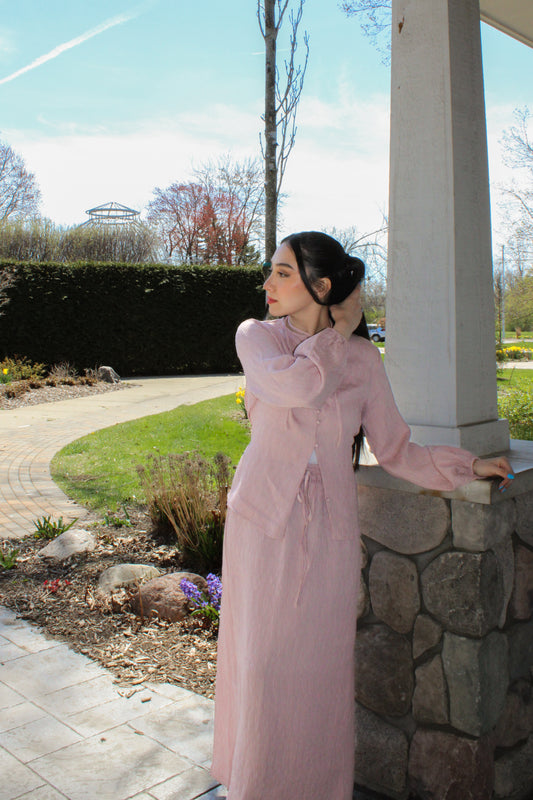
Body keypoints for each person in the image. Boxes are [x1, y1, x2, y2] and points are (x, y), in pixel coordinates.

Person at [211, 231, 514, 800]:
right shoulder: (257, 338)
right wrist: (338, 334)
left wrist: (468, 466)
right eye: (271, 271)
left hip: (328, 532)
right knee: (260, 664)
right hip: (261, 524)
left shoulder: (361, 360)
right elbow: (300, 387)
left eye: (282, 272)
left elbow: (395, 449)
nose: (268, 283)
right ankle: (251, 785)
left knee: (319, 669)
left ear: (321, 285)